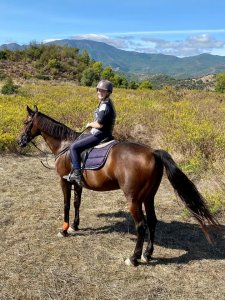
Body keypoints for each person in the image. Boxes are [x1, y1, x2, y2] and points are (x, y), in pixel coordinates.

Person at [63, 79, 116, 185]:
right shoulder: (105, 102)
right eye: (99, 90)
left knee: (74, 147)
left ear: (108, 93)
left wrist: (90, 124)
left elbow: (99, 124)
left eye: (103, 91)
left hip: (100, 134)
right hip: (101, 132)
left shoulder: (105, 105)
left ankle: (77, 173)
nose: (100, 92)